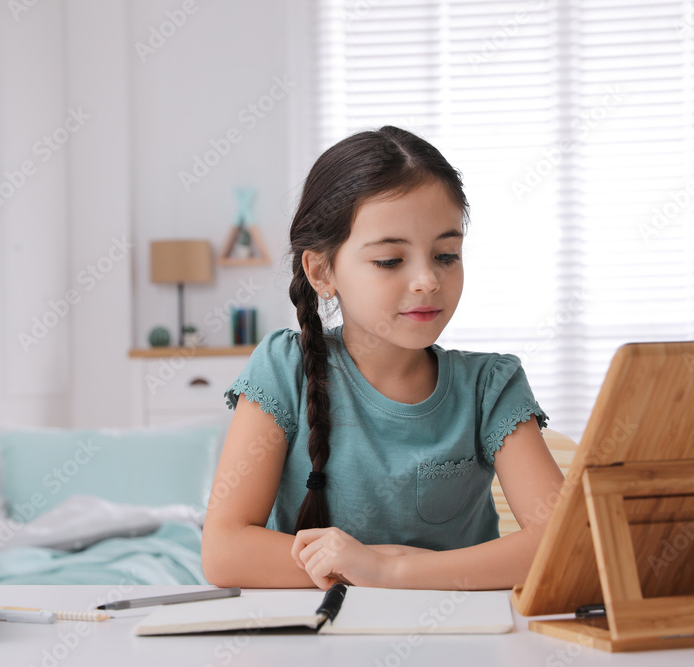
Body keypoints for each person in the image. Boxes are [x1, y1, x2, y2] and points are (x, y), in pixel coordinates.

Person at [201, 126, 565, 591]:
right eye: (391, 260)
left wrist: (386, 570)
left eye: (446, 255)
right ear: (321, 270)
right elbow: (225, 551)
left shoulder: (491, 384)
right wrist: (372, 566)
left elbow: (560, 541)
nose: (427, 280)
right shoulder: (283, 369)